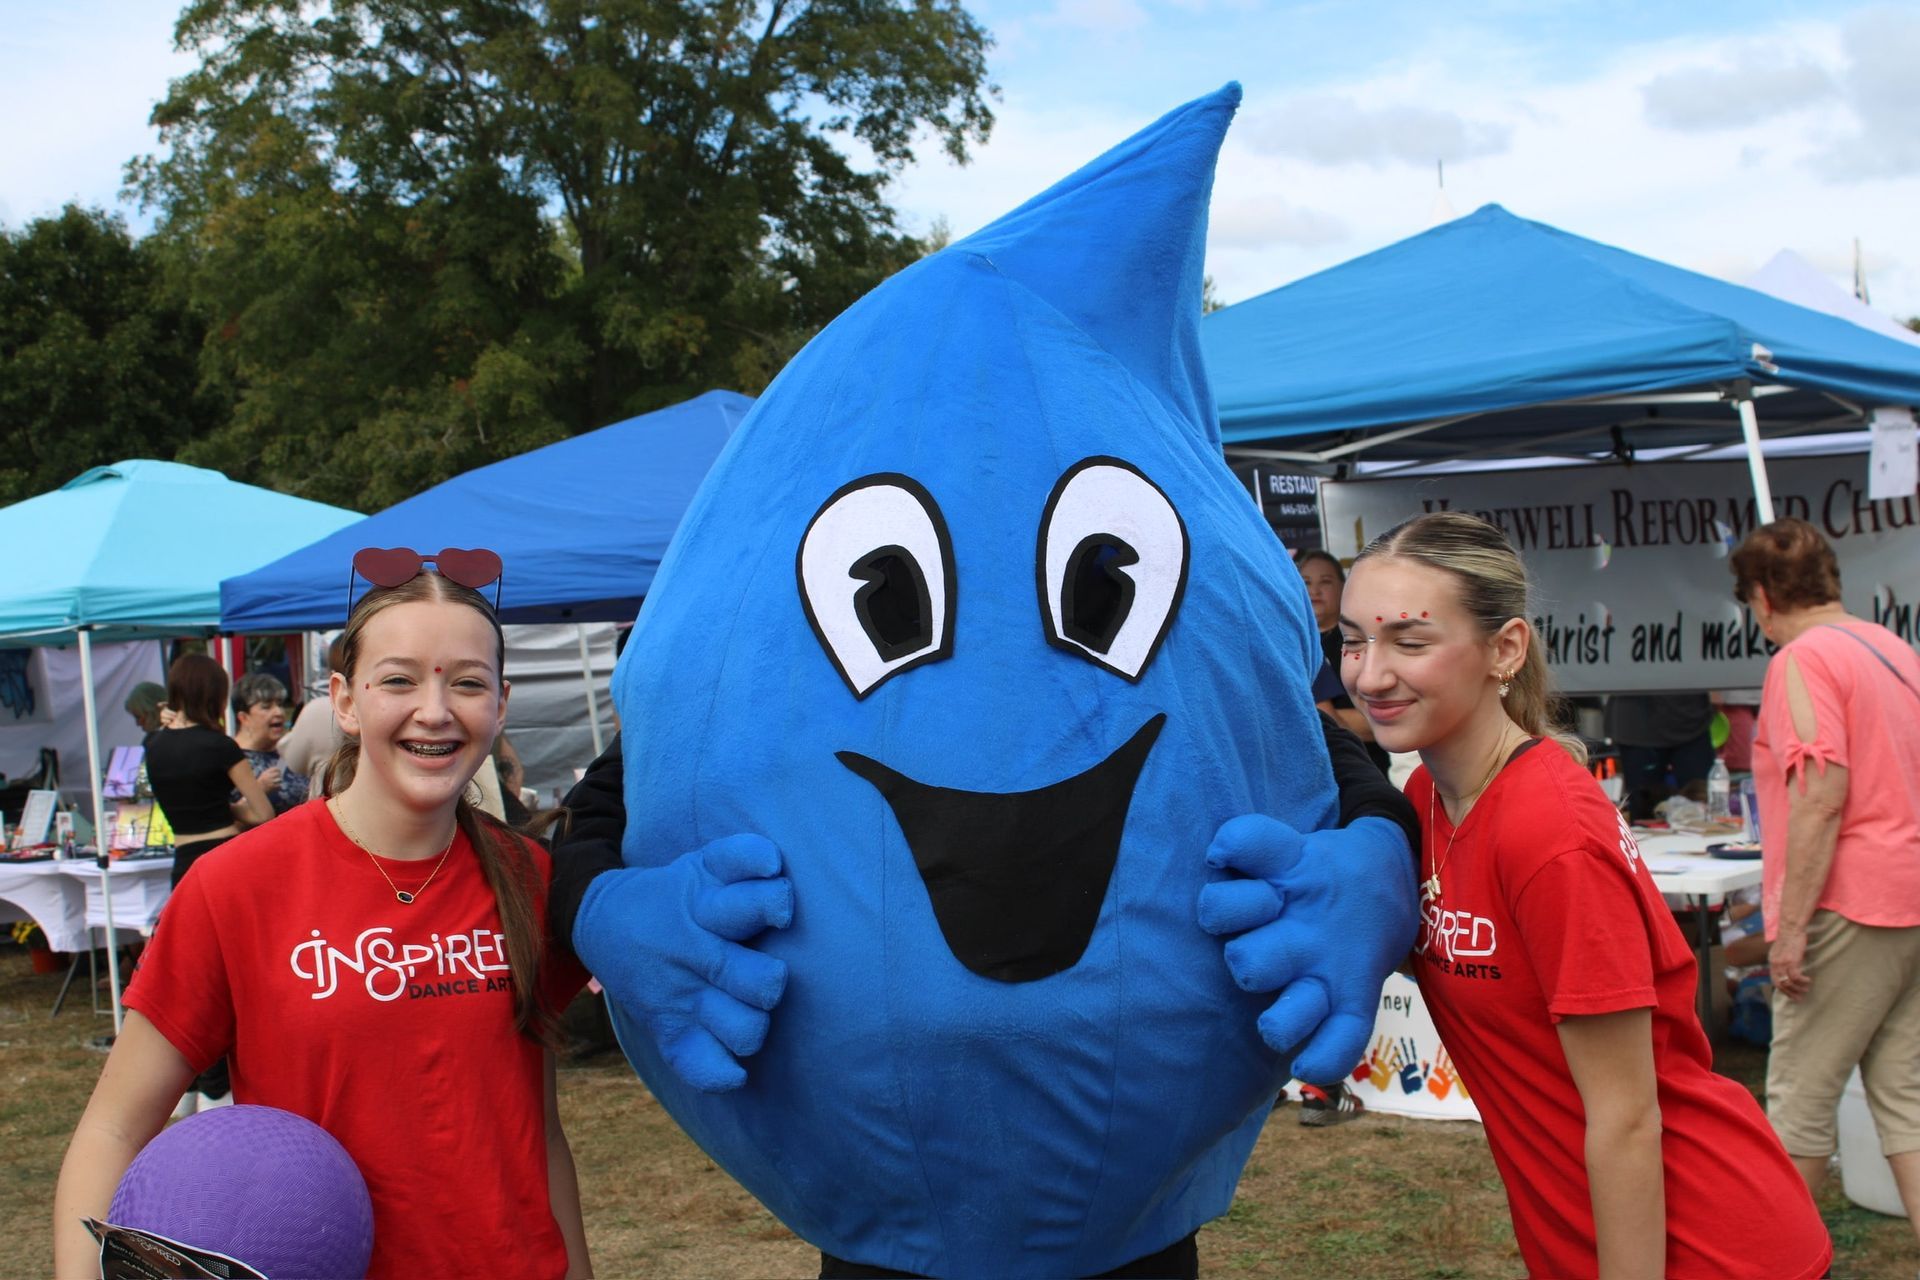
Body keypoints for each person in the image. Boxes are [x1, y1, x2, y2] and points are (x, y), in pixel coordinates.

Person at [52, 558, 593, 1280]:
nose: (434, 710)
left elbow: (537, 1132)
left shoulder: (532, 878)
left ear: (501, 702)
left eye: (466, 682)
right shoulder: (237, 884)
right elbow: (114, 1128)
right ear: (344, 699)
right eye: (398, 679)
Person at [1339, 510, 1829, 1280]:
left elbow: (1627, 1116)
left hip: (1709, 1246)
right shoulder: (1432, 795)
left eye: (1410, 641)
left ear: (1505, 650)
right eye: (1353, 640)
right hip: (1588, 1238)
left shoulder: (1549, 833)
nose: (1369, 673)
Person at [1731, 517, 1920, 1238]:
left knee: (1799, 1105)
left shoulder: (1803, 661)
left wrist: (1792, 931)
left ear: (1763, 595)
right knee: (1905, 1099)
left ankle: (1773, 1259)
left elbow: (1821, 795)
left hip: (1849, 903)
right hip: (1907, 894)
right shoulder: (1894, 648)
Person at [142, 655, 274, 888]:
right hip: (225, 856)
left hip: (183, 859)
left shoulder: (152, 744)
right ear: (214, 696)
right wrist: (226, 807)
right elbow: (263, 814)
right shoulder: (220, 746)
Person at [1296, 549, 1389, 774]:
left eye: (1325, 582)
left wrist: (1325, 716)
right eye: (1306, 582)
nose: (1314, 591)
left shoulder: (1366, 642)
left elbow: (1385, 721)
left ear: (1344, 587)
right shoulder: (1293, 645)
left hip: (1370, 770)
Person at [229, 671, 308, 818]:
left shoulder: (289, 749)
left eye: (280, 704)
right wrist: (259, 789)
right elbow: (223, 817)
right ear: (243, 717)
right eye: (266, 707)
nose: (279, 712)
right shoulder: (229, 757)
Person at [275, 635, 347, 782]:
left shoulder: (318, 709)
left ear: (333, 676)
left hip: (329, 799)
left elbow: (293, 762)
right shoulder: (388, 707)